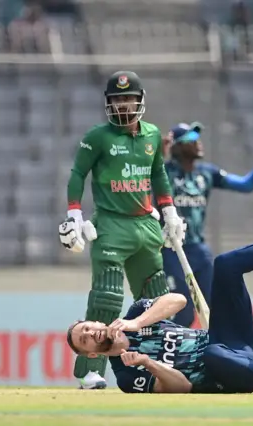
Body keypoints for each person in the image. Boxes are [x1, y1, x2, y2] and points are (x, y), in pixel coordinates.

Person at [66, 200, 253, 394]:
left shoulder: (136, 314)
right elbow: (182, 386)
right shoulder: (127, 376)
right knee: (211, 354)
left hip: (228, 338)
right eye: (85, 339)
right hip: (226, 375)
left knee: (225, 265)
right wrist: (148, 362)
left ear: (99, 323)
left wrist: (136, 324)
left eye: (89, 327)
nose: (91, 333)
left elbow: (178, 301)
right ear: (90, 352)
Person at [58, 70, 186, 390]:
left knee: (155, 300)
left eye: (128, 98)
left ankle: (165, 363)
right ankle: (91, 371)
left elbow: (158, 175)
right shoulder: (98, 136)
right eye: (117, 99)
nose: (123, 105)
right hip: (111, 224)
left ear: (140, 101)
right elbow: (77, 174)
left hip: (145, 224)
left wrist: (169, 211)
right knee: (107, 297)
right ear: (108, 103)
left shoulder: (153, 135)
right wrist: (74, 214)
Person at [160, 122, 253, 327]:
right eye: (190, 140)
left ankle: (221, 355)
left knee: (217, 309)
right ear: (177, 147)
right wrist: (158, 156)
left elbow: (246, 185)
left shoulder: (207, 173)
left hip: (199, 249)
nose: (197, 143)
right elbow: (144, 179)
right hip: (171, 250)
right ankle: (171, 357)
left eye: (197, 138)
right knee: (183, 312)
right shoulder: (162, 172)